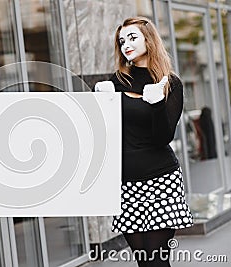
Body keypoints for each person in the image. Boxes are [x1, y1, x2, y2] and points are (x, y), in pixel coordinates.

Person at [96, 17, 194, 266]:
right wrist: (100, 104)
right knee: (143, 261)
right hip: (127, 185)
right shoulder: (117, 82)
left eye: (132, 37)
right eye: (121, 41)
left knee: (156, 261)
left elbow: (164, 137)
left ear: (148, 40)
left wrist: (157, 103)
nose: (125, 44)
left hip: (161, 181)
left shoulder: (170, 83)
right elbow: (105, 134)